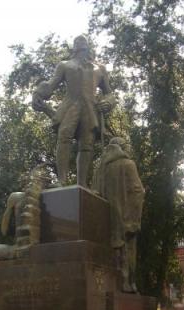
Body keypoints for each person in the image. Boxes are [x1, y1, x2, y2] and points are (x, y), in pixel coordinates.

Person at [32, 35, 115, 187]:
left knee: (86, 145)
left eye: (83, 42)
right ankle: (61, 181)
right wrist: (37, 93)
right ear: (74, 47)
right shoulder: (65, 65)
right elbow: (50, 86)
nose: (81, 44)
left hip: (90, 109)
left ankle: (82, 184)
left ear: (88, 47)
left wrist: (108, 103)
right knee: (64, 137)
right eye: (77, 42)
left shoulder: (100, 68)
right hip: (71, 106)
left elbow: (109, 93)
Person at [93, 137, 145, 292]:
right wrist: (134, 220)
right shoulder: (128, 164)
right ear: (122, 147)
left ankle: (111, 286)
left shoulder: (99, 170)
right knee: (128, 253)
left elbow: (93, 193)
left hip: (103, 222)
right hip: (125, 219)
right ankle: (128, 284)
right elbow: (138, 191)